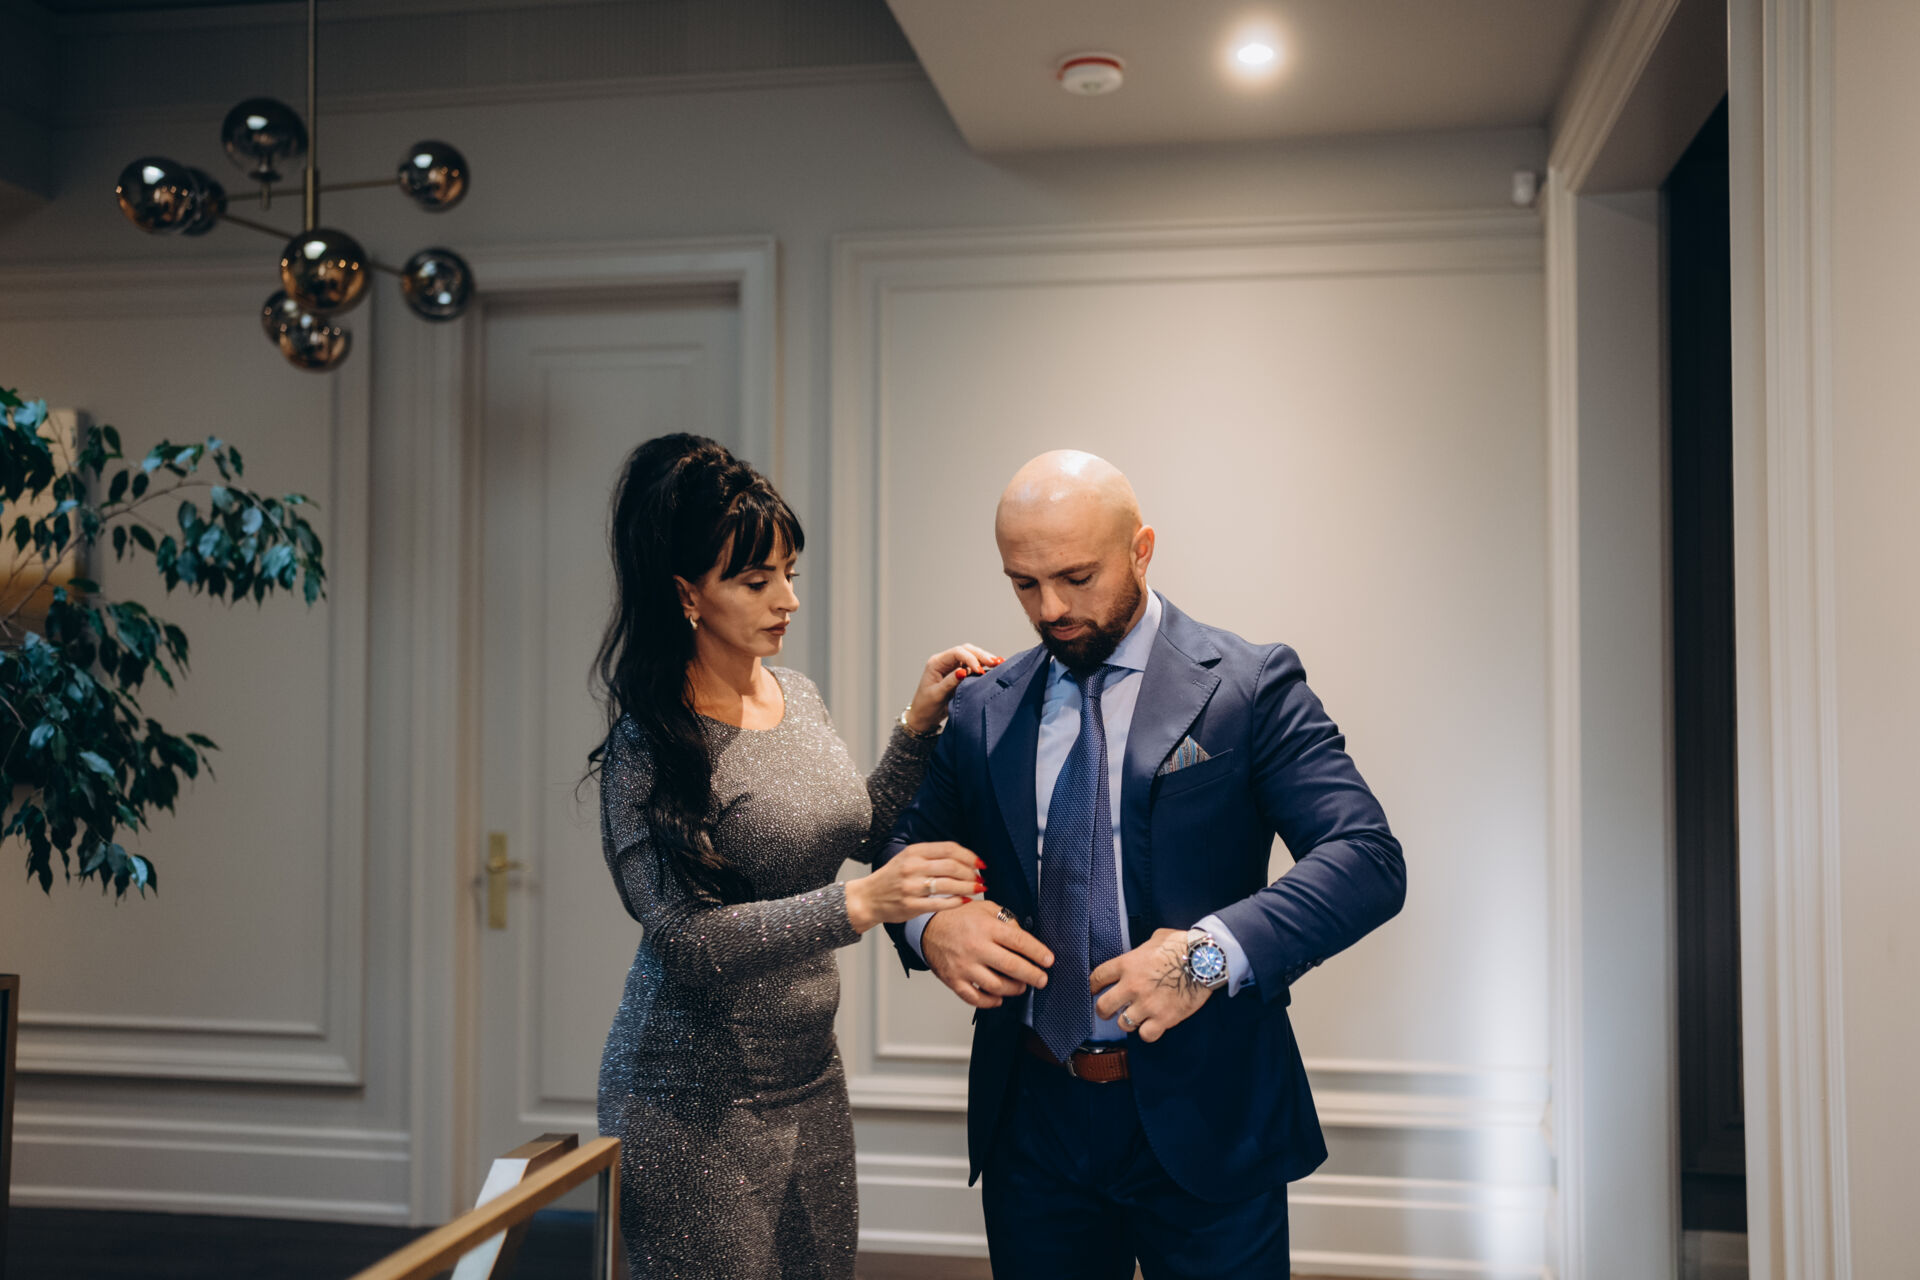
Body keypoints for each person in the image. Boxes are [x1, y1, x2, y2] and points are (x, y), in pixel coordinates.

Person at [881, 450, 1406, 1278]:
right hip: (1033, 1121)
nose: (1051, 609)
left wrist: (1203, 958)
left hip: (1210, 1114)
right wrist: (931, 926)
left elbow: (1366, 858)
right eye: (1024, 584)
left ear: (1141, 549)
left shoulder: (1249, 685)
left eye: (1077, 577)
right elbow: (900, 848)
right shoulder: (984, 706)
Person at [590, 433, 1000, 1280]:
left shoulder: (796, 695)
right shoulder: (649, 742)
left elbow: (855, 830)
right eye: (756, 580)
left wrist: (917, 725)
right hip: (690, 1102)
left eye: (790, 573)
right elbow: (687, 941)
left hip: (809, 1074)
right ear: (686, 593)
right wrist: (861, 904)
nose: (788, 600)